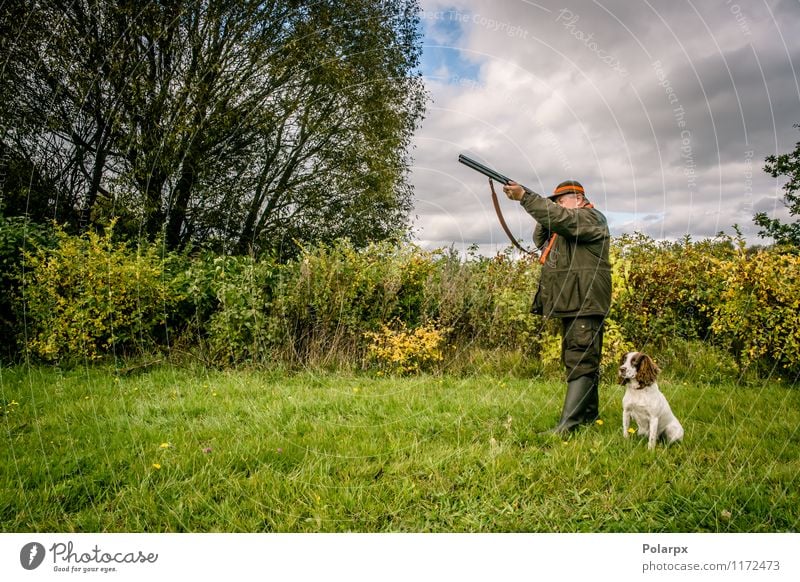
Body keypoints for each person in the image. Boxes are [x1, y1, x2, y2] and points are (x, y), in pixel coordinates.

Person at [502, 179, 612, 434]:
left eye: (561, 200)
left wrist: (527, 199)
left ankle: (567, 426)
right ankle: (588, 417)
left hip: (584, 300)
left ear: (578, 198)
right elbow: (540, 237)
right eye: (555, 203)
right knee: (581, 356)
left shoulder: (591, 218)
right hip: (574, 300)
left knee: (580, 356)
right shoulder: (565, 226)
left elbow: (564, 220)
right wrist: (543, 207)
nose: (558, 205)